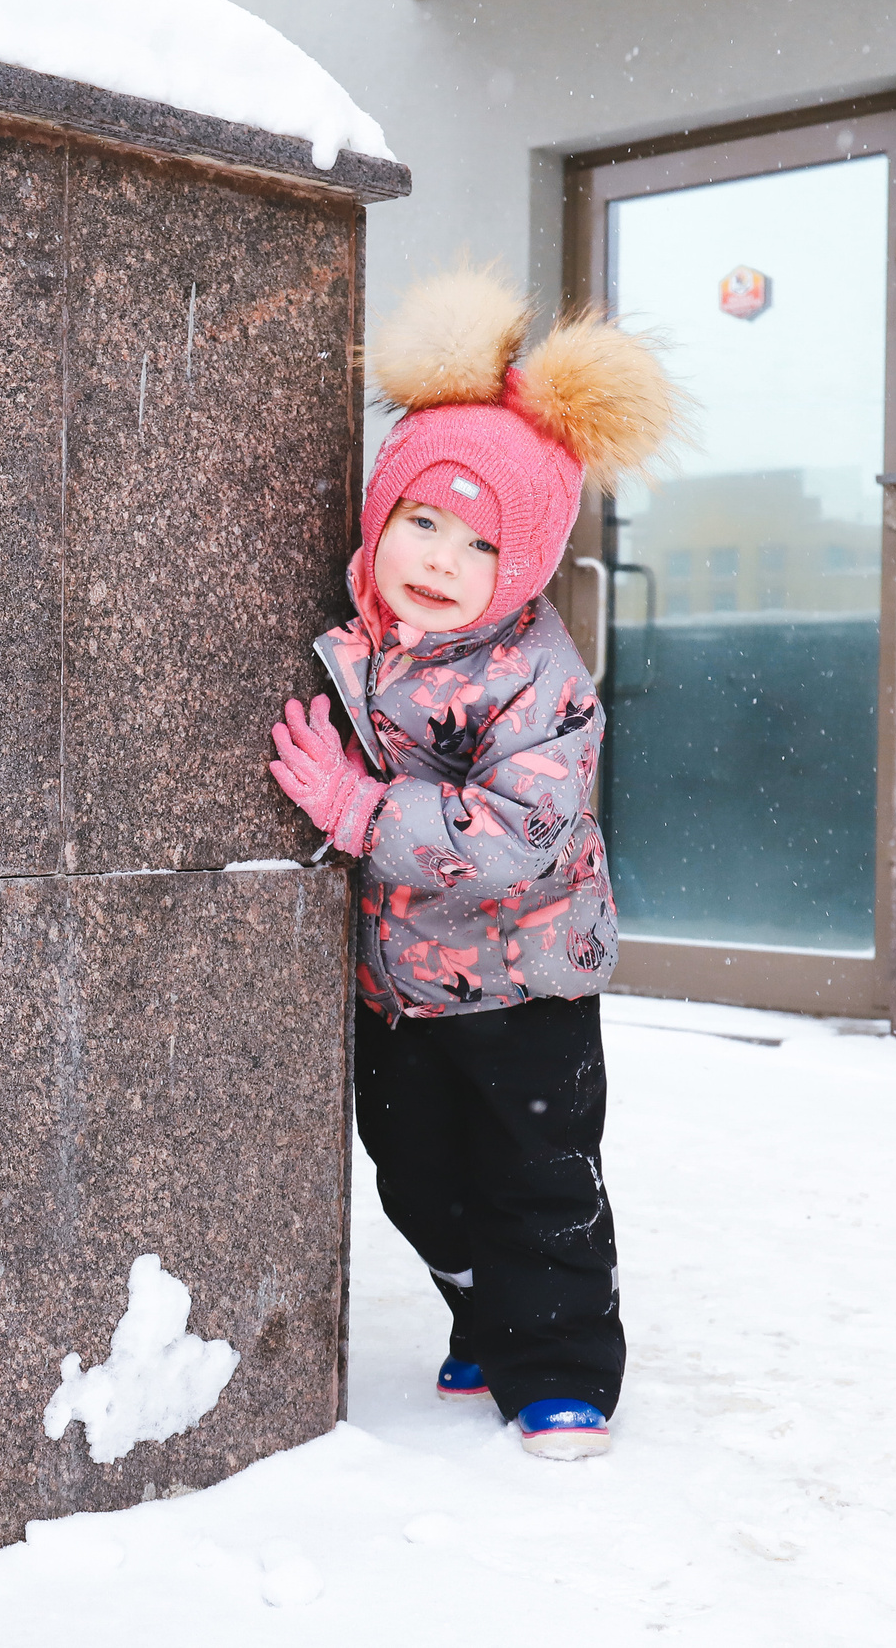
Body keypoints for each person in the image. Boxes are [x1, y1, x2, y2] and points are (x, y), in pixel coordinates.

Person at [267, 264, 680, 1460]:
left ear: (534, 562)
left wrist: (356, 809)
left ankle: (556, 1369)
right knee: (413, 1173)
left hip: (523, 983)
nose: (442, 559)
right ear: (382, 518)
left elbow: (518, 837)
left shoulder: (536, 682)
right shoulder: (368, 641)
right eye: (423, 521)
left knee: (536, 1177)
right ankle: (485, 1311)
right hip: (401, 986)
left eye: (482, 542)